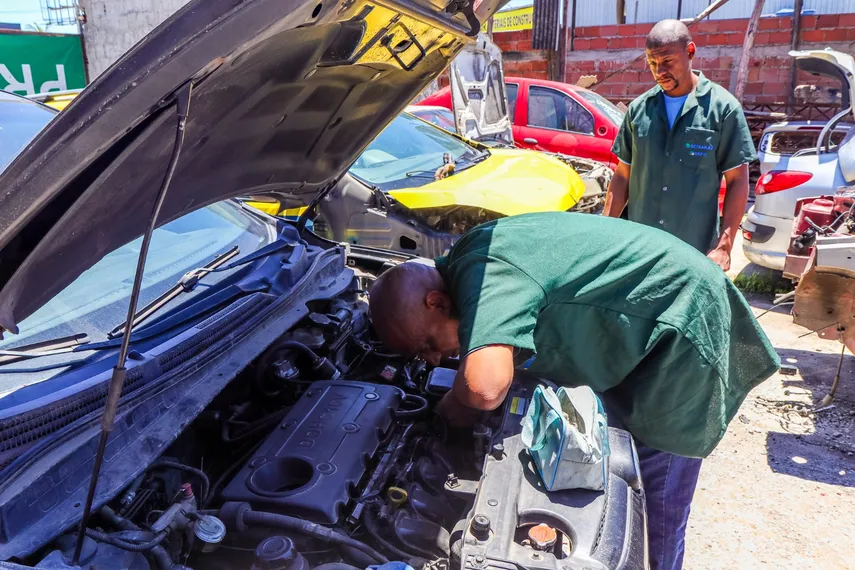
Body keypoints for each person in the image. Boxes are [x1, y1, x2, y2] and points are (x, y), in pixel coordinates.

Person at [368, 212, 779, 570]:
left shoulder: (487, 274)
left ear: (437, 302)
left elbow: (485, 388)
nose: (435, 361)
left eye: (426, 346)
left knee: (656, 495)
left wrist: (450, 409)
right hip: (646, 321)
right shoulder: (465, 261)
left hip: (684, 323)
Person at [604, 19, 756, 274]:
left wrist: (724, 246)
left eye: (667, 61)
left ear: (690, 52)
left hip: (694, 255)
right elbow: (622, 176)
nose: (659, 71)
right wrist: (605, 230)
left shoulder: (722, 109)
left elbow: (738, 180)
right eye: (652, 63)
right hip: (639, 251)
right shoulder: (639, 110)